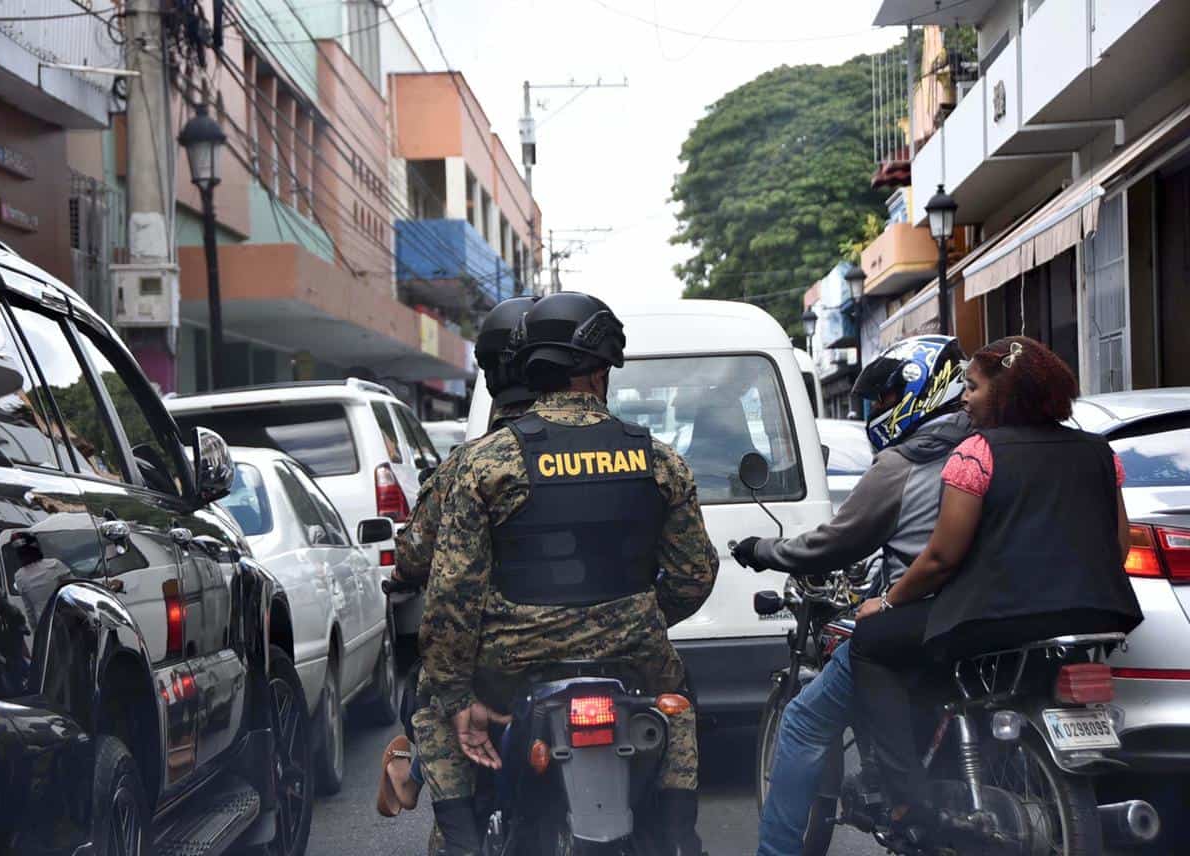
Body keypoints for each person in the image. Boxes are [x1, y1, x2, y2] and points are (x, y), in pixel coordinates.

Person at [412, 291, 718, 856]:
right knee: (676, 708)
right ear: (601, 373)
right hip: (632, 657)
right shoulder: (659, 459)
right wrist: (634, 616)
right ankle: (678, 834)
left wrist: (458, 700)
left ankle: (460, 839)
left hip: (510, 671)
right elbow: (694, 576)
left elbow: (451, 599)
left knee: (434, 707)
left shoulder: (485, 464)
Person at [850, 336, 1143, 833]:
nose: (964, 398)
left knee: (871, 645)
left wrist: (887, 600)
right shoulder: (1099, 453)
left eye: (973, 387)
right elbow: (1117, 546)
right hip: (1091, 616)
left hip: (996, 618)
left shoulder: (977, 454)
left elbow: (941, 558)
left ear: (1005, 394)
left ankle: (904, 800)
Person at [732, 335, 971, 856]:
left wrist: (766, 549)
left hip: (918, 616)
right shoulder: (989, 445)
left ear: (919, 389)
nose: (879, 408)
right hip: (987, 615)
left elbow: (836, 541)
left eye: (886, 396)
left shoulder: (905, 462)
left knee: (801, 723)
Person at [376, 295, 539, 818]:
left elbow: (416, 559)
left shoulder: (466, 467)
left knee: (437, 689)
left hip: (495, 663)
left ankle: (413, 773)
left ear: (489, 376)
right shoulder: (614, 454)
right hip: (605, 651)